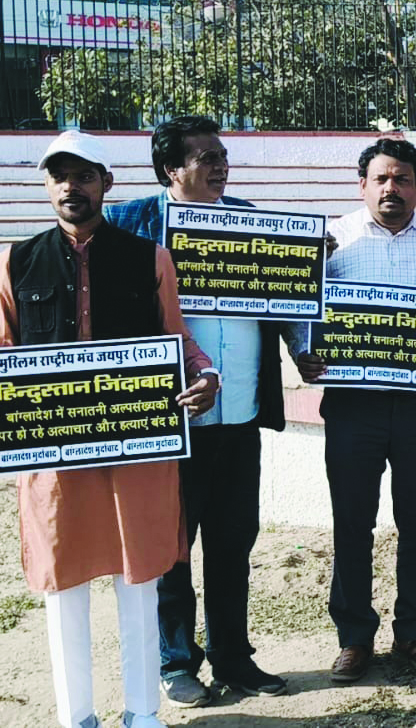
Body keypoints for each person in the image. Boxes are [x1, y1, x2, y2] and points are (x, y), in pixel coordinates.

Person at [1, 130, 219, 728]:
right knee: (62, 587)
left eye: (84, 175)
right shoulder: (16, 261)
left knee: (139, 579)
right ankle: (77, 717)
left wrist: (204, 375)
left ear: (106, 183)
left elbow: (176, 339)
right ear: (48, 187)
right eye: (60, 176)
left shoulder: (150, 258)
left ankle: (142, 713)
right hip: (53, 455)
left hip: (137, 449)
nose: (71, 186)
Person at [103, 116, 290, 706]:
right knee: (172, 547)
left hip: (240, 414)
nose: (220, 166)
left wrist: (306, 279)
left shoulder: (252, 221)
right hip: (171, 420)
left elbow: (284, 299)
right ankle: (177, 661)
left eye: (223, 156)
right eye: (206, 157)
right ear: (170, 170)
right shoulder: (129, 224)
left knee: (234, 544)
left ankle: (235, 658)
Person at [291, 138, 416, 683]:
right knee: (352, 520)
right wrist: (301, 350)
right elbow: (301, 302)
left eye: (402, 179)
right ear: (362, 185)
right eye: (381, 179)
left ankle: (414, 631)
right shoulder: (333, 239)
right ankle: (354, 637)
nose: (392, 188)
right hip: (353, 404)